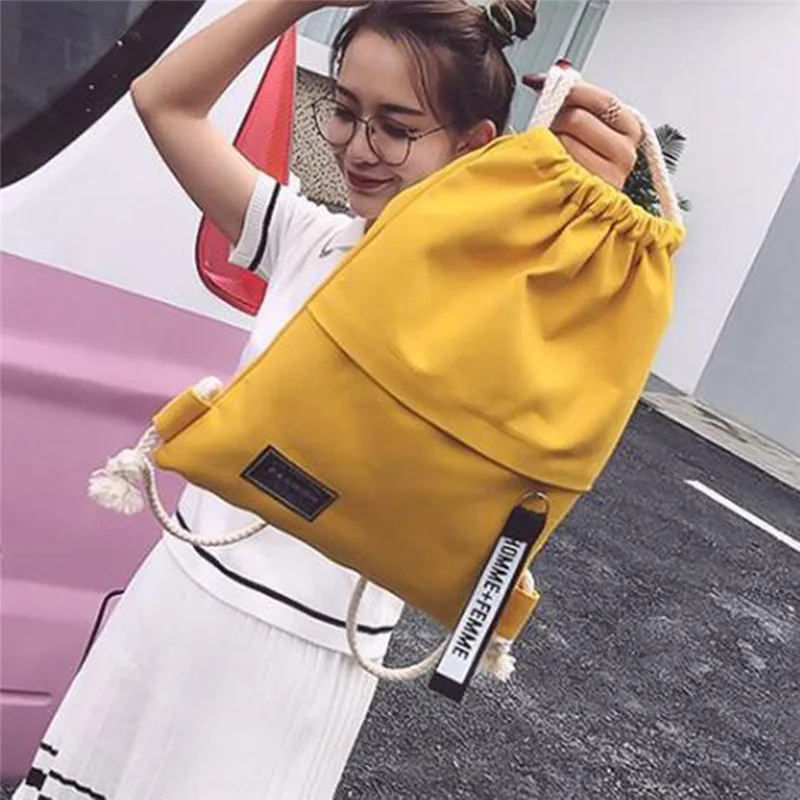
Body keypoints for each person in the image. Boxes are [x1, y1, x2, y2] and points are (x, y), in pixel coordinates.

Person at [14, 1, 643, 798]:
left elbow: (573, 362)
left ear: (473, 146)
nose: (358, 147)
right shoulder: (308, 240)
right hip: (175, 603)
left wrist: (585, 215)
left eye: (397, 127)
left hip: (299, 663)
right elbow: (162, 100)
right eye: (344, 111)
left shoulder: (496, 310)